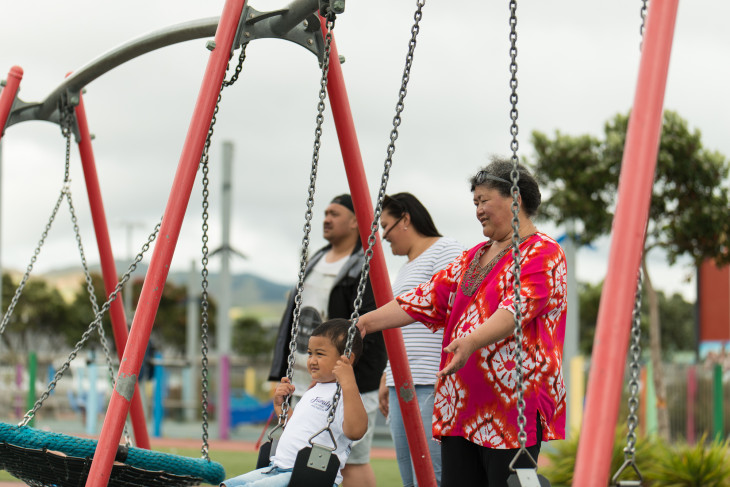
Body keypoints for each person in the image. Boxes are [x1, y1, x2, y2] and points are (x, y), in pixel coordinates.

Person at [357, 159, 567, 486]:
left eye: (484, 201)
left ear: (516, 199)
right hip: (462, 406)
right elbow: (426, 297)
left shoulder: (543, 251)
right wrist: (365, 322)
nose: (478, 210)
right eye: (475, 203)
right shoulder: (472, 257)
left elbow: (516, 308)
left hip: (512, 408)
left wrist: (470, 340)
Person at [269, 194, 387, 487]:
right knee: (300, 453)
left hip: (345, 377)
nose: (326, 218)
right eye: (324, 212)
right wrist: (277, 371)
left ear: (354, 221)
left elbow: (372, 326)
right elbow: (291, 317)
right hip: (306, 374)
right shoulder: (316, 259)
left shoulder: (365, 265)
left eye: (334, 213)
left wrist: (346, 377)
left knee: (350, 457)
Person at [377, 192, 465, 486]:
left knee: (432, 475)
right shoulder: (405, 269)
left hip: (431, 378)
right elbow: (400, 327)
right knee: (409, 477)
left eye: (386, 226)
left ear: (405, 219)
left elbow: (459, 308)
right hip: (400, 381)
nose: (384, 237)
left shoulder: (446, 250)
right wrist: (386, 375)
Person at [223, 319, 367, 486]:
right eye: (310, 353)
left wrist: (348, 382)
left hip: (306, 476)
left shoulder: (347, 394)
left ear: (346, 358)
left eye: (319, 354)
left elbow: (356, 431)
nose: (312, 360)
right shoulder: (313, 390)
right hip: (277, 468)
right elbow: (298, 428)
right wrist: (281, 407)